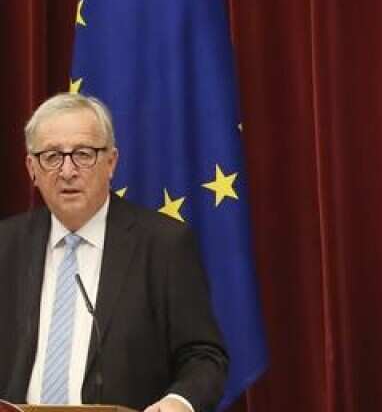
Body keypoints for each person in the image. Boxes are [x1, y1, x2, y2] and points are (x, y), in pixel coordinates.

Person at [0, 93, 228, 412]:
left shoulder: (163, 244)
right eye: (51, 156)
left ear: (111, 162)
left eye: (83, 154)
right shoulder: (6, 245)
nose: (67, 171)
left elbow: (203, 356)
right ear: (31, 168)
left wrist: (178, 402)